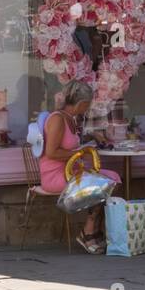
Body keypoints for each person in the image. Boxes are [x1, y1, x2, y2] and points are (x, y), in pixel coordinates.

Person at [39, 80, 120, 253]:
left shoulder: (72, 119)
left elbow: (71, 145)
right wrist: (81, 153)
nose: (87, 109)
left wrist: (91, 140)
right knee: (100, 184)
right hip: (55, 174)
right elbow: (51, 152)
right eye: (87, 105)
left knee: (112, 178)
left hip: (71, 170)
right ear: (82, 103)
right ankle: (88, 232)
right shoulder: (58, 119)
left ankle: (94, 228)